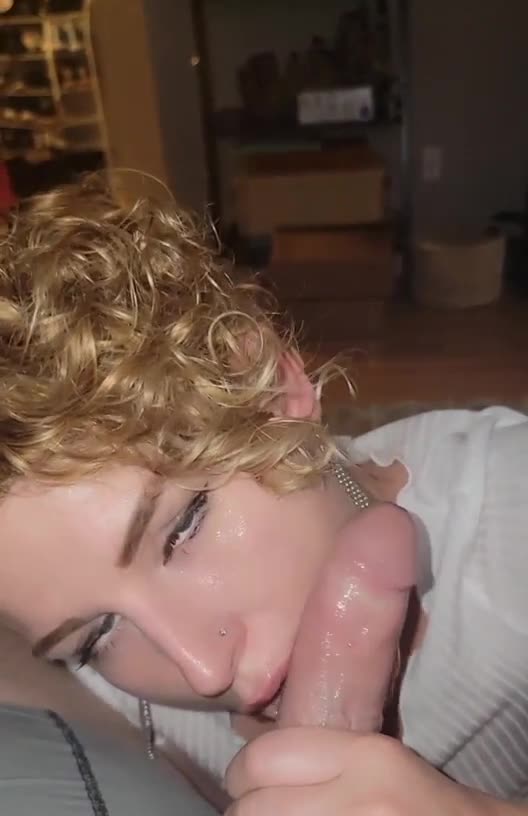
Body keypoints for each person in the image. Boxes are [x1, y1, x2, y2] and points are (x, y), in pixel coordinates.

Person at [0, 175, 527, 815]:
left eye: (184, 528)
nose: (204, 671)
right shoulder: (104, 711)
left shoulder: (513, 515)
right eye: (96, 637)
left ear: (274, 386)